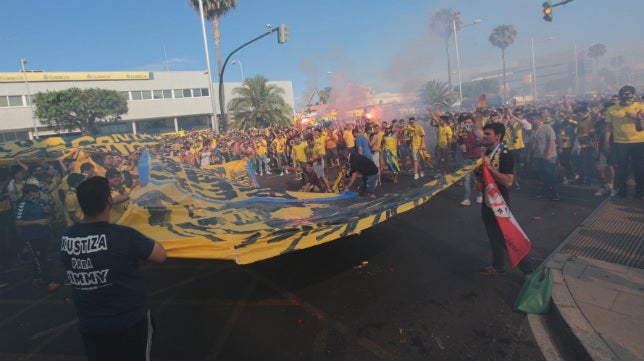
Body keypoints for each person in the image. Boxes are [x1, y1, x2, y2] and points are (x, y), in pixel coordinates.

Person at [60, 176, 167, 361]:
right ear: (109, 200)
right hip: (129, 321)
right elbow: (160, 255)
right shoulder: (122, 235)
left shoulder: (67, 237)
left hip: (90, 323)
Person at [473, 96, 533, 276]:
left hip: (500, 202)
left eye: (487, 134)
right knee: (493, 236)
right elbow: (477, 130)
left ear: (497, 136)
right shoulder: (486, 150)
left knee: (508, 236)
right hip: (486, 201)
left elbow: (508, 181)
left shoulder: (505, 155)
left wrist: (490, 169)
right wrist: (478, 112)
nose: (483, 136)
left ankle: (528, 271)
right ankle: (498, 265)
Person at [15, 184, 61, 291]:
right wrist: (37, 222)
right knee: (40, 259)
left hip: (43, 234)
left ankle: (36, 278)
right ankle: (49, 282)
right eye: (33, 191)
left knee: (40, 257)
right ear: (26, 193)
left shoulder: (41, 202)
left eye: (36, 191)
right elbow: (18, 222)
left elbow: (47, 213)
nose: (35, 193)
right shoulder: (23, 205)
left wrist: (47, 212)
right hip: (31, 236)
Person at [604, 85, 644, 198]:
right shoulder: (612, 109)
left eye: (629, 95)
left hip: (639, 141)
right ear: (620, 96)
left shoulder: (641, 106)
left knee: (639, 168)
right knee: (622, 168)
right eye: (624, 96)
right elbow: (608, 126)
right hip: (620, 142)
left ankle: (640, 192)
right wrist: (606, 142)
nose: (627, 99)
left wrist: (636, 116)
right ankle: (622, 191)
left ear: (633, 95)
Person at [529, 111, 560, 201]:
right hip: (538, 156)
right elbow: (532, 144)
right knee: (542, 175)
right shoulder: (534, 129)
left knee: (551, 175)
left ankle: (555, 193)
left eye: (533, 119)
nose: (531, 121)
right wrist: (530, 156)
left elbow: (552, 141)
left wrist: (549, 153)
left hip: (548, 156)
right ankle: (545, 192)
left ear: (538, 119)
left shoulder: (547, 127)